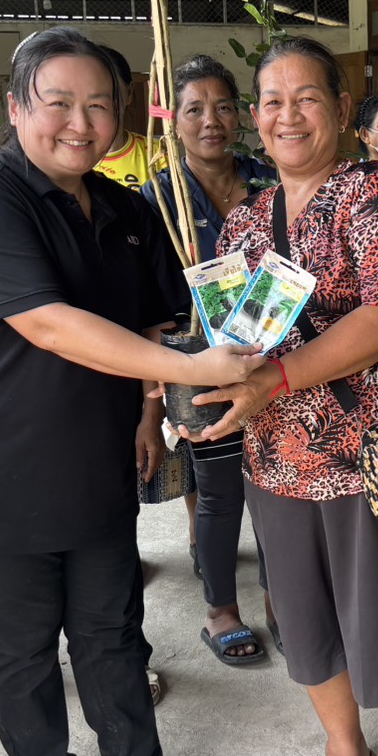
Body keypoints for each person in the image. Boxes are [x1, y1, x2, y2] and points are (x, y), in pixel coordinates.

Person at [0, 27, 262, 756]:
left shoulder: (125, 209)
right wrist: (187, 367)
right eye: (58, 102)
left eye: (98, 105)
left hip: (91, 460)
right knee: (23, 644)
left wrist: (156, 400)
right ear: (15, 108)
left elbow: (153, 320)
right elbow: (48, 324)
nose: (79, 122)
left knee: (112, 631)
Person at [192, 36, 378, 756]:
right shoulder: (244, 220)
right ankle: (344, 747)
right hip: (277, 459)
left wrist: (279, 378)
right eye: (271, 101)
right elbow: (234, 335)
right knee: (305, 621)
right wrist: (201, 382)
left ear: (340, 111)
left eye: (306, 98)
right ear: (253, 118)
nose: (287, 115)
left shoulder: (375, 196)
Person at [140, 54, 277, 666]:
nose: (210, 121)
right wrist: (152, 404)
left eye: (222, 107)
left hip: (276, 357)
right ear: (173, 120)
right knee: (220, 493)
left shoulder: (269, 180)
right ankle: (221, 611)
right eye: (194, 109)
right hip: (200, 364)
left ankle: (280, 600)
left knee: (278, 490)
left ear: (241, 114)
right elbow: (149, 306)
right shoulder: (159, 198)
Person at [95, 47, 158, 189]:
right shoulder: (69, 158)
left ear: (129, 93)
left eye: (112, 88)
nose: (102, 99)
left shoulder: (157, 154)